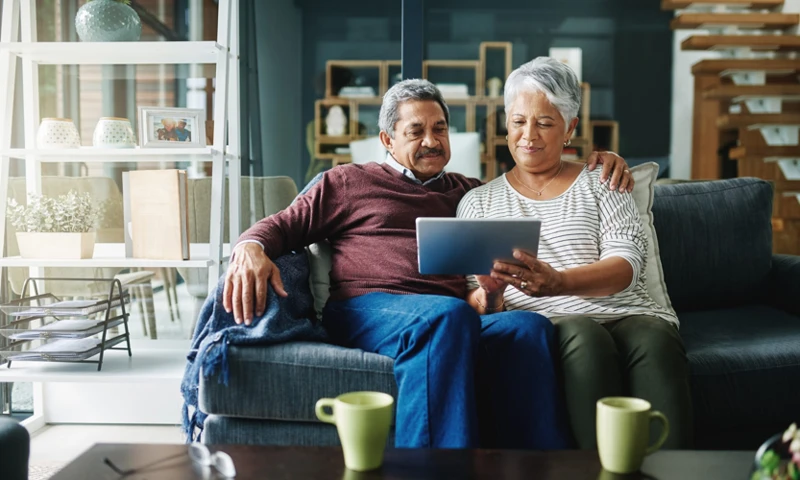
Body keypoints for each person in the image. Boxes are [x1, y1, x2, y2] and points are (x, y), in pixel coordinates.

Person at [223, 78, 633, 449]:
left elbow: (535, 179)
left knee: (527, 327)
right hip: (369, 308)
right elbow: (282, 225)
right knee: (447, 316)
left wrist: (602, 161)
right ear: (387, 138)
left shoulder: (469, 193)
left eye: (439, 129)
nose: (431, 141)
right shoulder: (347, 181)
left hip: (451, 315)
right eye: (415, 131)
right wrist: (250, 247)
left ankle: (538, 467)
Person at [456, 57, 692, 449]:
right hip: (553, 321)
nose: (528, 135)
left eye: (545, 123)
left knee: (655, 338)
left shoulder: (603, 180)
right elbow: (477, 301)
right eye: (518, 121)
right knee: (584, 336)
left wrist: (559, 282)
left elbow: (628, 264)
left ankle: (676, 471)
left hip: (628, 311)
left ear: (570, 128)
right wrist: (492, 293)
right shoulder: (478, 203)